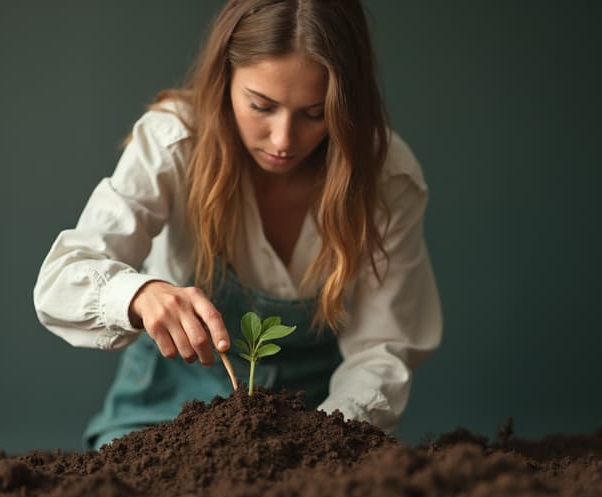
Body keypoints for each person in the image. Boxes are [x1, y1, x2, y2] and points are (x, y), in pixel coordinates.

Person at [33, 0, 443, 450]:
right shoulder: (173, 143)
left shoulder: (385, 177)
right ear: (224, 77)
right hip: (162, 414)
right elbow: (60, 281)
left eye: (314, 112)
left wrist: (321, 443)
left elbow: (381, 350)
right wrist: (139, 294)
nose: (284, 141)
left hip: (318, 418)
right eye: (261, 105)